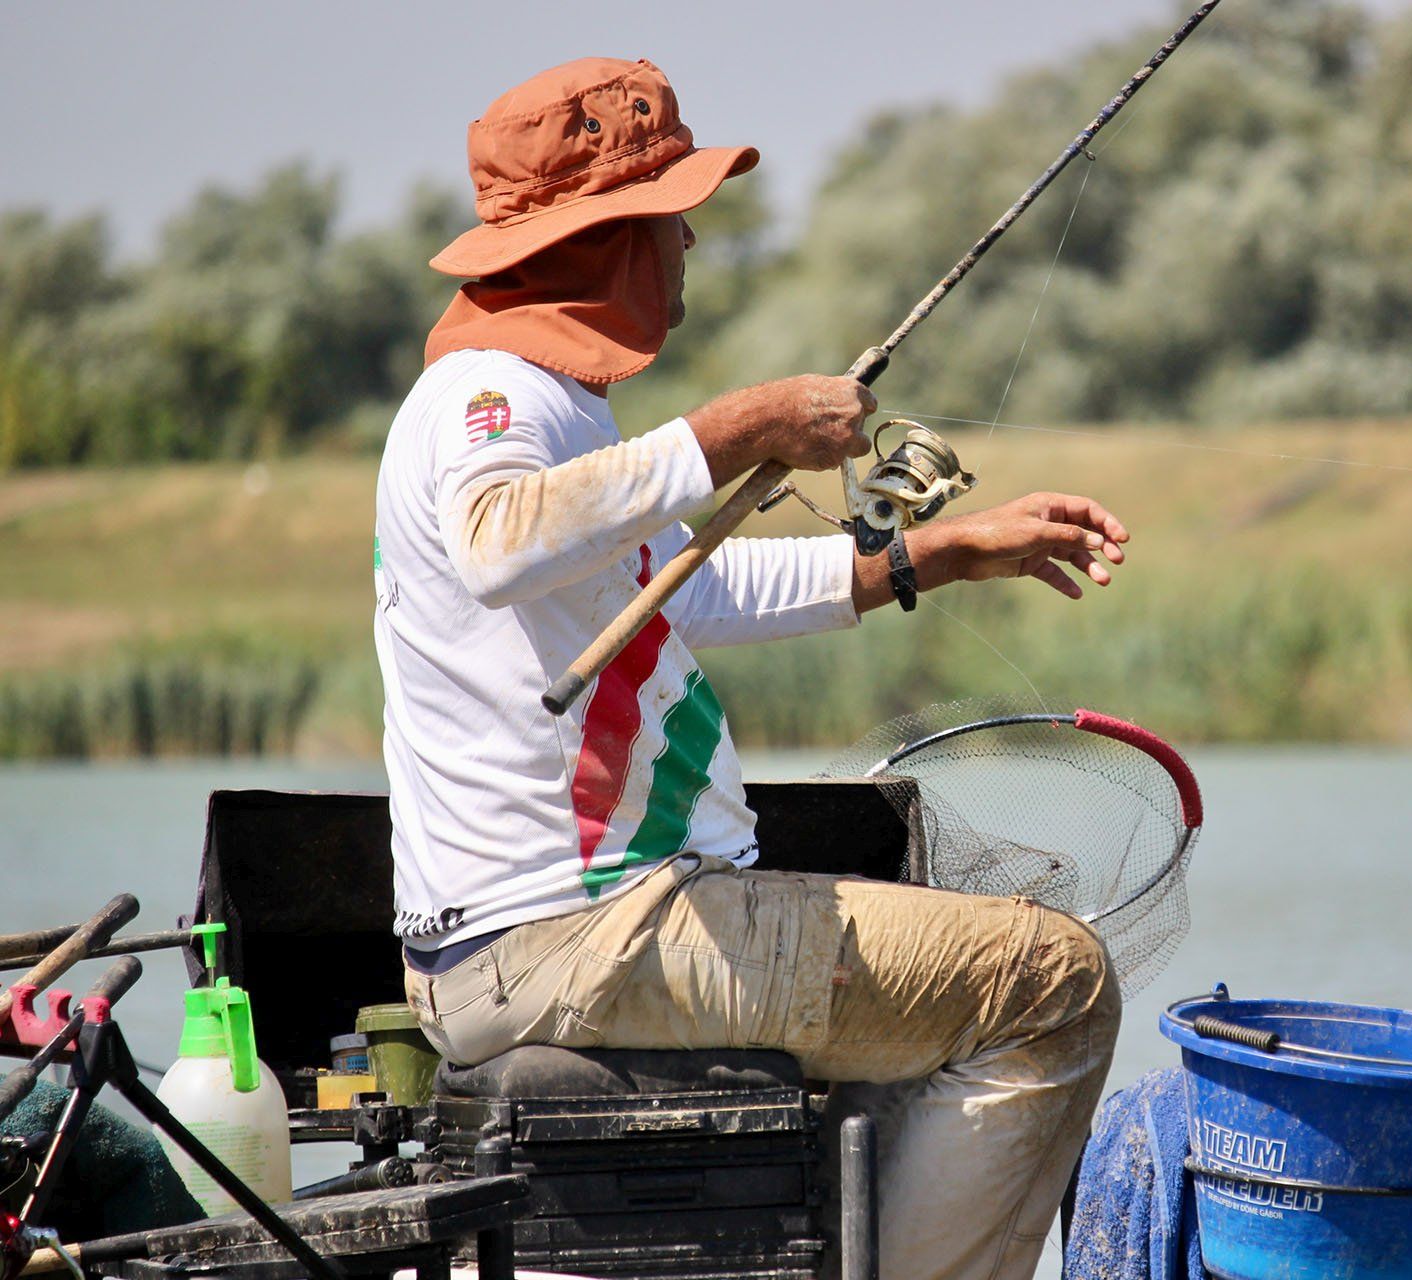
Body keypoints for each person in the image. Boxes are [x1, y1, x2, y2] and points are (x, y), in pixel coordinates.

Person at [376, 57, 1127, 1280]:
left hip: (561, 939)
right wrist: (742, 429)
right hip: (595, 933)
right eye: (671, 217)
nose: (686, 243)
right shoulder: (488, 398)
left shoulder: (562, 412)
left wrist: (937, 554)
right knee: (1056, 980)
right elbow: (501, 537)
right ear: (608, 240)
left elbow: (698, 594)